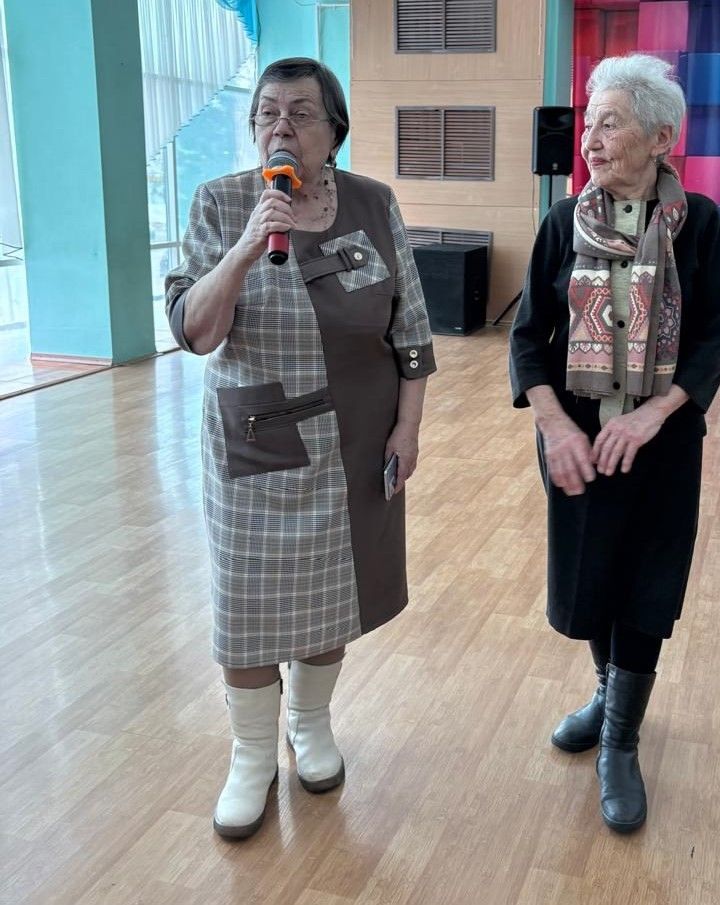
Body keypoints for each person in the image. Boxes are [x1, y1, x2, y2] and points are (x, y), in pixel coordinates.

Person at [165, 58, 436, 839]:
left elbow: (411, 329)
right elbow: (195, 332)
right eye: (266, 113)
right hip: (257, 440)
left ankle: (310, 724)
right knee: (248, 605)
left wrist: (408, 427)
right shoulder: (221, 202)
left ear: (334, 131)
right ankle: (251, 754)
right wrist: (247, 247)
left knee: (331, 595)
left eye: (301, 112)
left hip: (357, 438)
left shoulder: (374, 203)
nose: (280, 126)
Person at [508, 53, 720, 833]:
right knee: (592, 573)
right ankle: (610, 694)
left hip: (662, 441)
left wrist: (652, 414)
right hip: (576, 434)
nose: (590, 140)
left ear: (661, 138)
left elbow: (713, 339)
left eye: (610, 124)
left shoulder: (699, 223)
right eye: (589, 123)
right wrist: (554, 426)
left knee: (648, 580)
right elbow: (526, 339)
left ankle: (621, 741)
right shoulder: (561, 223)